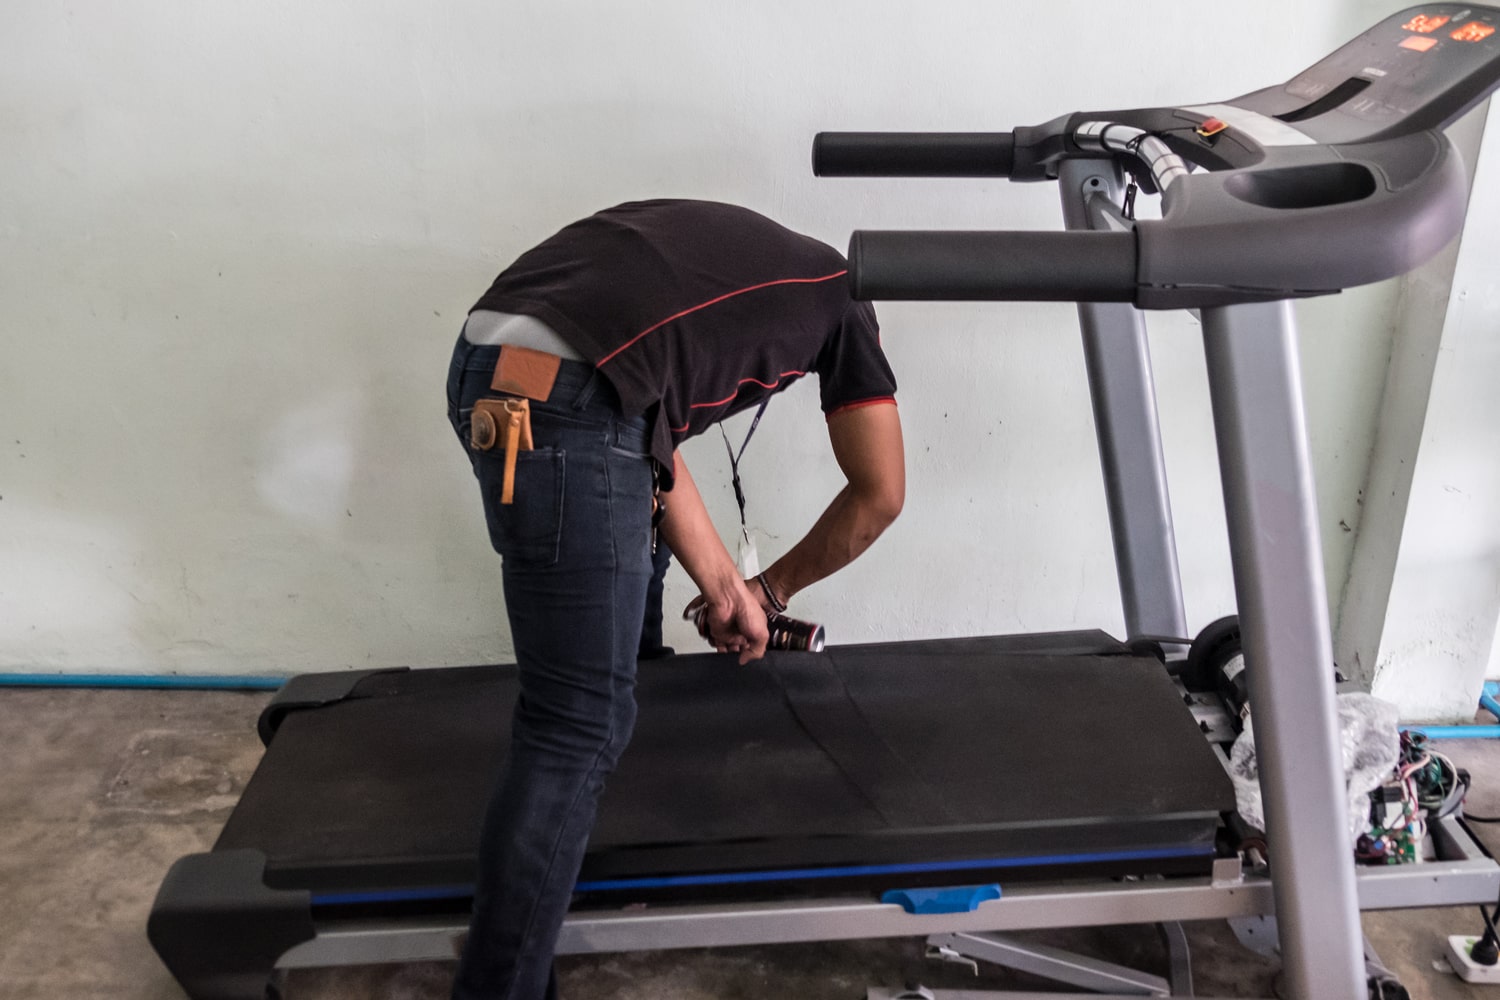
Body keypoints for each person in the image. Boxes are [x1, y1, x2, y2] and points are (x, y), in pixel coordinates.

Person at [444, 199, 905, 1000]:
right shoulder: (840, 301)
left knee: (624, 639)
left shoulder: (748, 272)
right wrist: (772, 589)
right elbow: (880, 494)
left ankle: (616, 858)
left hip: (491, 358)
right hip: (576, 399)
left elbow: (648, 437)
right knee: (578, 723)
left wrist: (733, 589)